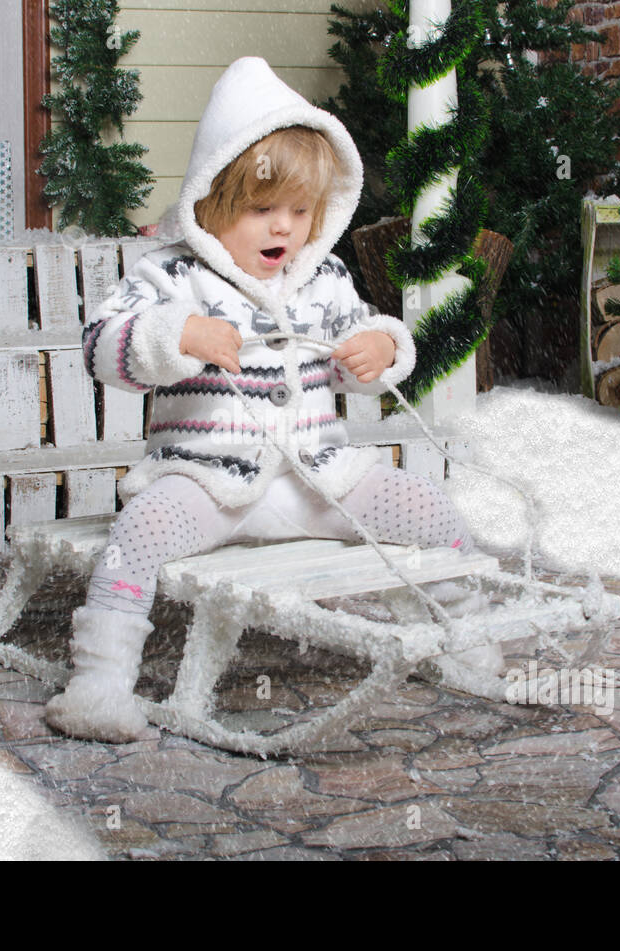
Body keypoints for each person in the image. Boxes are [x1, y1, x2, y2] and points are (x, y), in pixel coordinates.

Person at [44, 57, 492, 742]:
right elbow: (101, 344)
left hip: (318, 481)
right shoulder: (172, 275)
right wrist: (178, 335)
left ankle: (464, 636)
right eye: (261, 210)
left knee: (427, 503)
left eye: (301, 211)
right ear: (213, 198)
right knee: (133, 535)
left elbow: (358, 346)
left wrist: (380, 349)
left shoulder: (324, 277)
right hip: (206, 483)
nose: (283, 229)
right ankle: (99, 683)